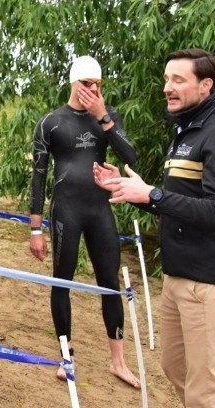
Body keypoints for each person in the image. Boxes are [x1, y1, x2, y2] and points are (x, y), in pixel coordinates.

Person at [95, 48, 215, 408]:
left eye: (178, 79)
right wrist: (131, 190)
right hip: (178, 276)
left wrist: (152, 193)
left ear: (205, 85)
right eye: (166, 79)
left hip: (208, 282)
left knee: (208, 392)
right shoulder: (187, 132)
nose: (168, 87)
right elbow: (177, 203)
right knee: (175, 369)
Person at [28, 54, 139, 387]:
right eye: (87, 83)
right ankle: (66, 356)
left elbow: (130, 157)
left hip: (99, 210)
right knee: (62, 281)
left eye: (98, 84)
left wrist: (103, 116)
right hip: (66, 210)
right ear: (74, 83)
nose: (92, 89)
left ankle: (118, 361)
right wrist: (35, 228)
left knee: (110, 284)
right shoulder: (51, 122)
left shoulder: (107, 116)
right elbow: (38, 176)